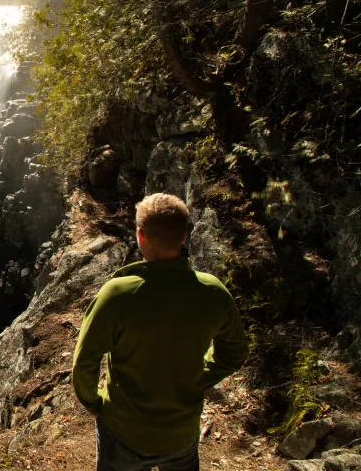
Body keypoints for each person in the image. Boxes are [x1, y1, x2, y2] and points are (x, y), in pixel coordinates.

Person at [72, 193, 249, 471]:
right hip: (181, 431)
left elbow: (84, 362)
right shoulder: (212, 292)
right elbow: (235, 351)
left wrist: (94, 403)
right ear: (183, 237)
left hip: (123, 431)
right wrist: (199, 378)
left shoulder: (118, 295)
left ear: (140, 236)